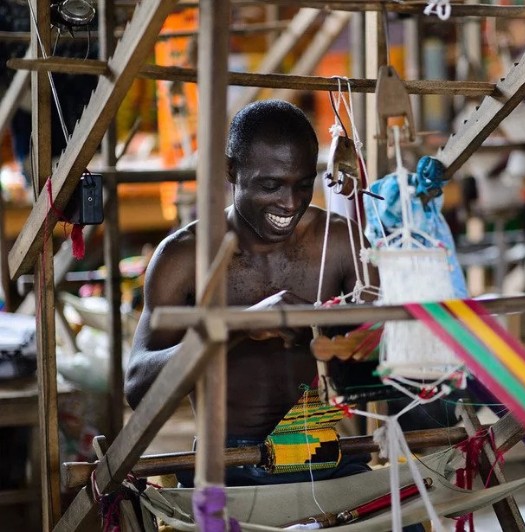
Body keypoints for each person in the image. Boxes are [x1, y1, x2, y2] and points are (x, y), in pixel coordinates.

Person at [125, 99, 376, 486]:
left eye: (302, 184)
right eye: (270, 185)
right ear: (231, 170)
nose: (289, 204)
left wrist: (338, 334)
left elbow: (381, 361)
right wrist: (240, 326)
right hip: (225, 461)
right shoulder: (185, 256)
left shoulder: (339, 243)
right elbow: (138, 389)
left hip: (317, 448)